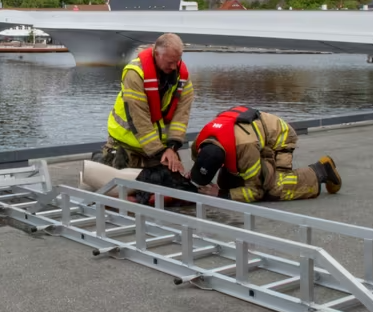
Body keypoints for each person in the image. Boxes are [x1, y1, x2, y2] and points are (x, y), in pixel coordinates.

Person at [188, 106, 342, 203]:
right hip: (255, 137)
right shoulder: (200, 141)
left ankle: (321, 171)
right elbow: (200, 159)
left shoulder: (245, 149)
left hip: (280, 138)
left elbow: (255, 192)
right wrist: (193, 174)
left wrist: (221, 195)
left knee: (273, 188)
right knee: (228, 183)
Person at [98, 33, 194, 173]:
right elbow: (139, 118)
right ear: (157, 54)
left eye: (177, 61)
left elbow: (181, 115)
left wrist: (172, 147)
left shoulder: (182, 77)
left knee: (174, 178)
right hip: (127, 142)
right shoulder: (135, 73)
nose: (174, 67)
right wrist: (160, 152)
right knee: (121, 184)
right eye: (169, 62)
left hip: (158, 145)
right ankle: (101, 159)